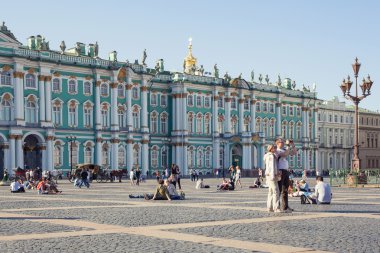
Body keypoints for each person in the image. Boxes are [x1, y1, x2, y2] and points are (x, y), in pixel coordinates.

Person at [275, 138, 297, 212]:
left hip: (285, 171)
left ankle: (285, 206)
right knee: (279, 190)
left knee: (285, 189)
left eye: (284, 142)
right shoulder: (276, 150)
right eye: (282, 142)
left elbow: (294, 153)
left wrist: (292, 145)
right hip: (280, 171)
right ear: (277, 143)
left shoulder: (284, 149)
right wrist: (288, 145)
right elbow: (285, 154)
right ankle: (277, 206)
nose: (283, 143)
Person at [264, 144, 281, 212]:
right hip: (272, 175)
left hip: (269, 175)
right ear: (271, 149)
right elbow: (272, 167)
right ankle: (276, 207)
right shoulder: (271, 156)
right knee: (276, 191)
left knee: (270, 191)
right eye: (275, 148)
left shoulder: (267, 155)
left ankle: (269, 207)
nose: (276, 149)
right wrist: (273, 176)